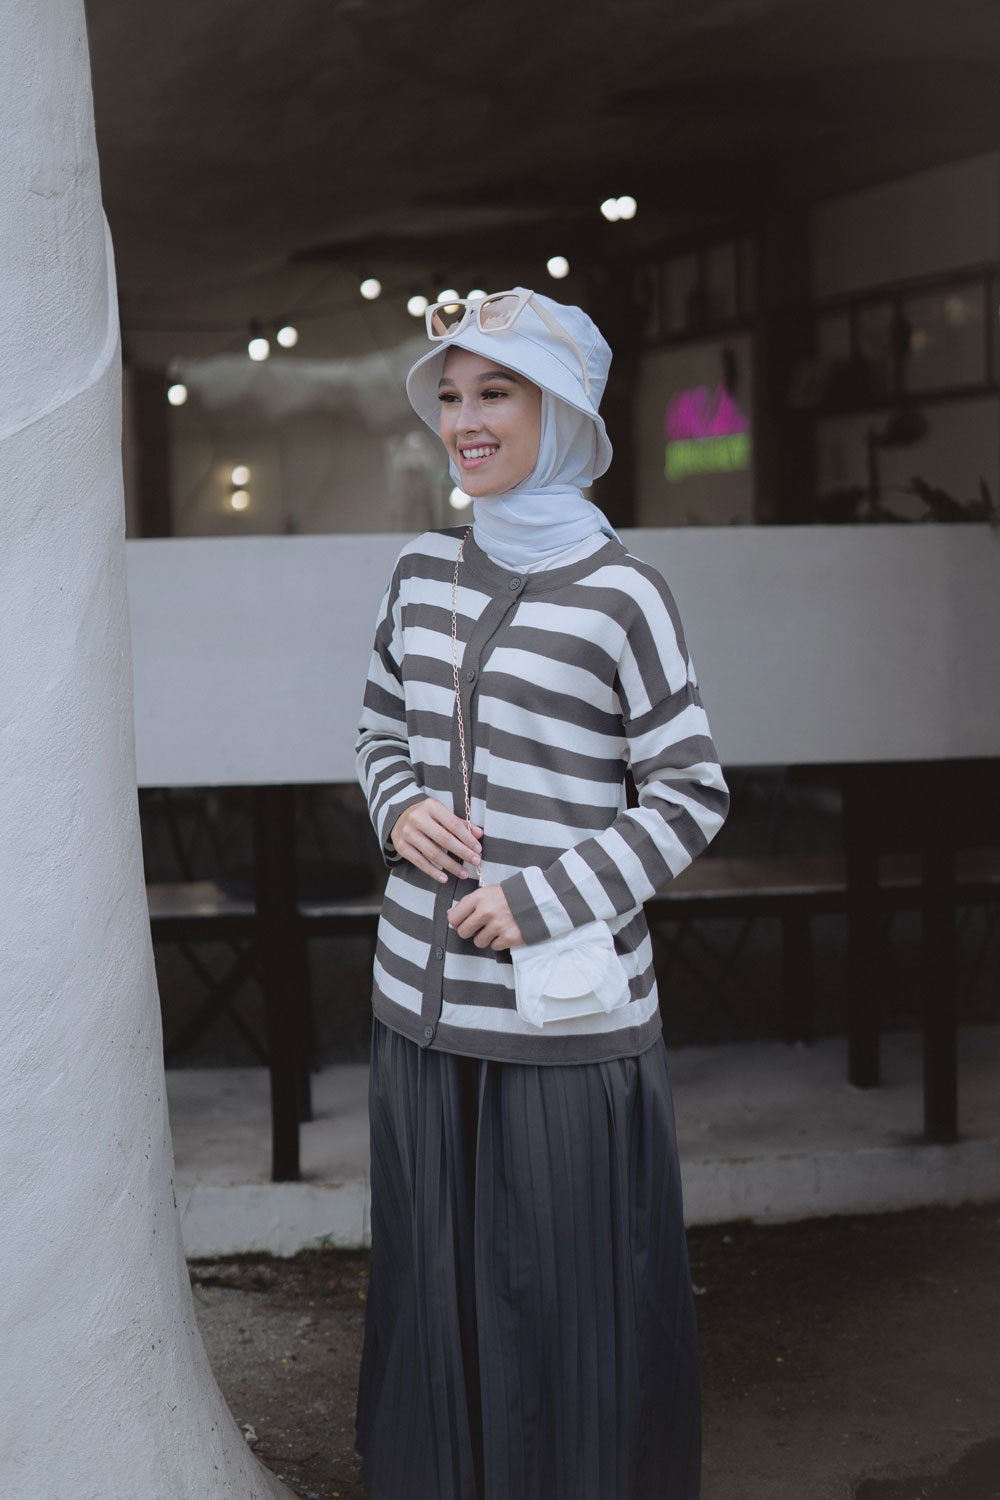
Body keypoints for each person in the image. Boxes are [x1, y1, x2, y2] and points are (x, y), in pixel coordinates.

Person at [354, 288, 729, 1500]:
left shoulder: (625, 594)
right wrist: (396, 807)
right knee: (436, 1285)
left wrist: (543, 899)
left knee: (564, 1296)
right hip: (419, 1009)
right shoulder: (419, 570)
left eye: (495, 394)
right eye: (450, 396)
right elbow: (378, 729)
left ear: (561, 411)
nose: (463, 421)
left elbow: (690, 794)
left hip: (561, 1017)